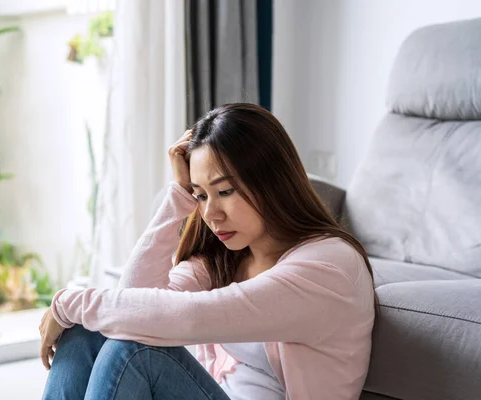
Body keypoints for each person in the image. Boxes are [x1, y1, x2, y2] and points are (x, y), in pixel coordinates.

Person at [39, 103, 376, 400]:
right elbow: (134, 299)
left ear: (271, 181)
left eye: (225, 191)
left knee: (132, 349)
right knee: (87, 329)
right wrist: (178, 194)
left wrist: (68, 303)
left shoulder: (329, 266)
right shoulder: (227, 258)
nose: (211, 214)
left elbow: (189, 316)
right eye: (200, 196)